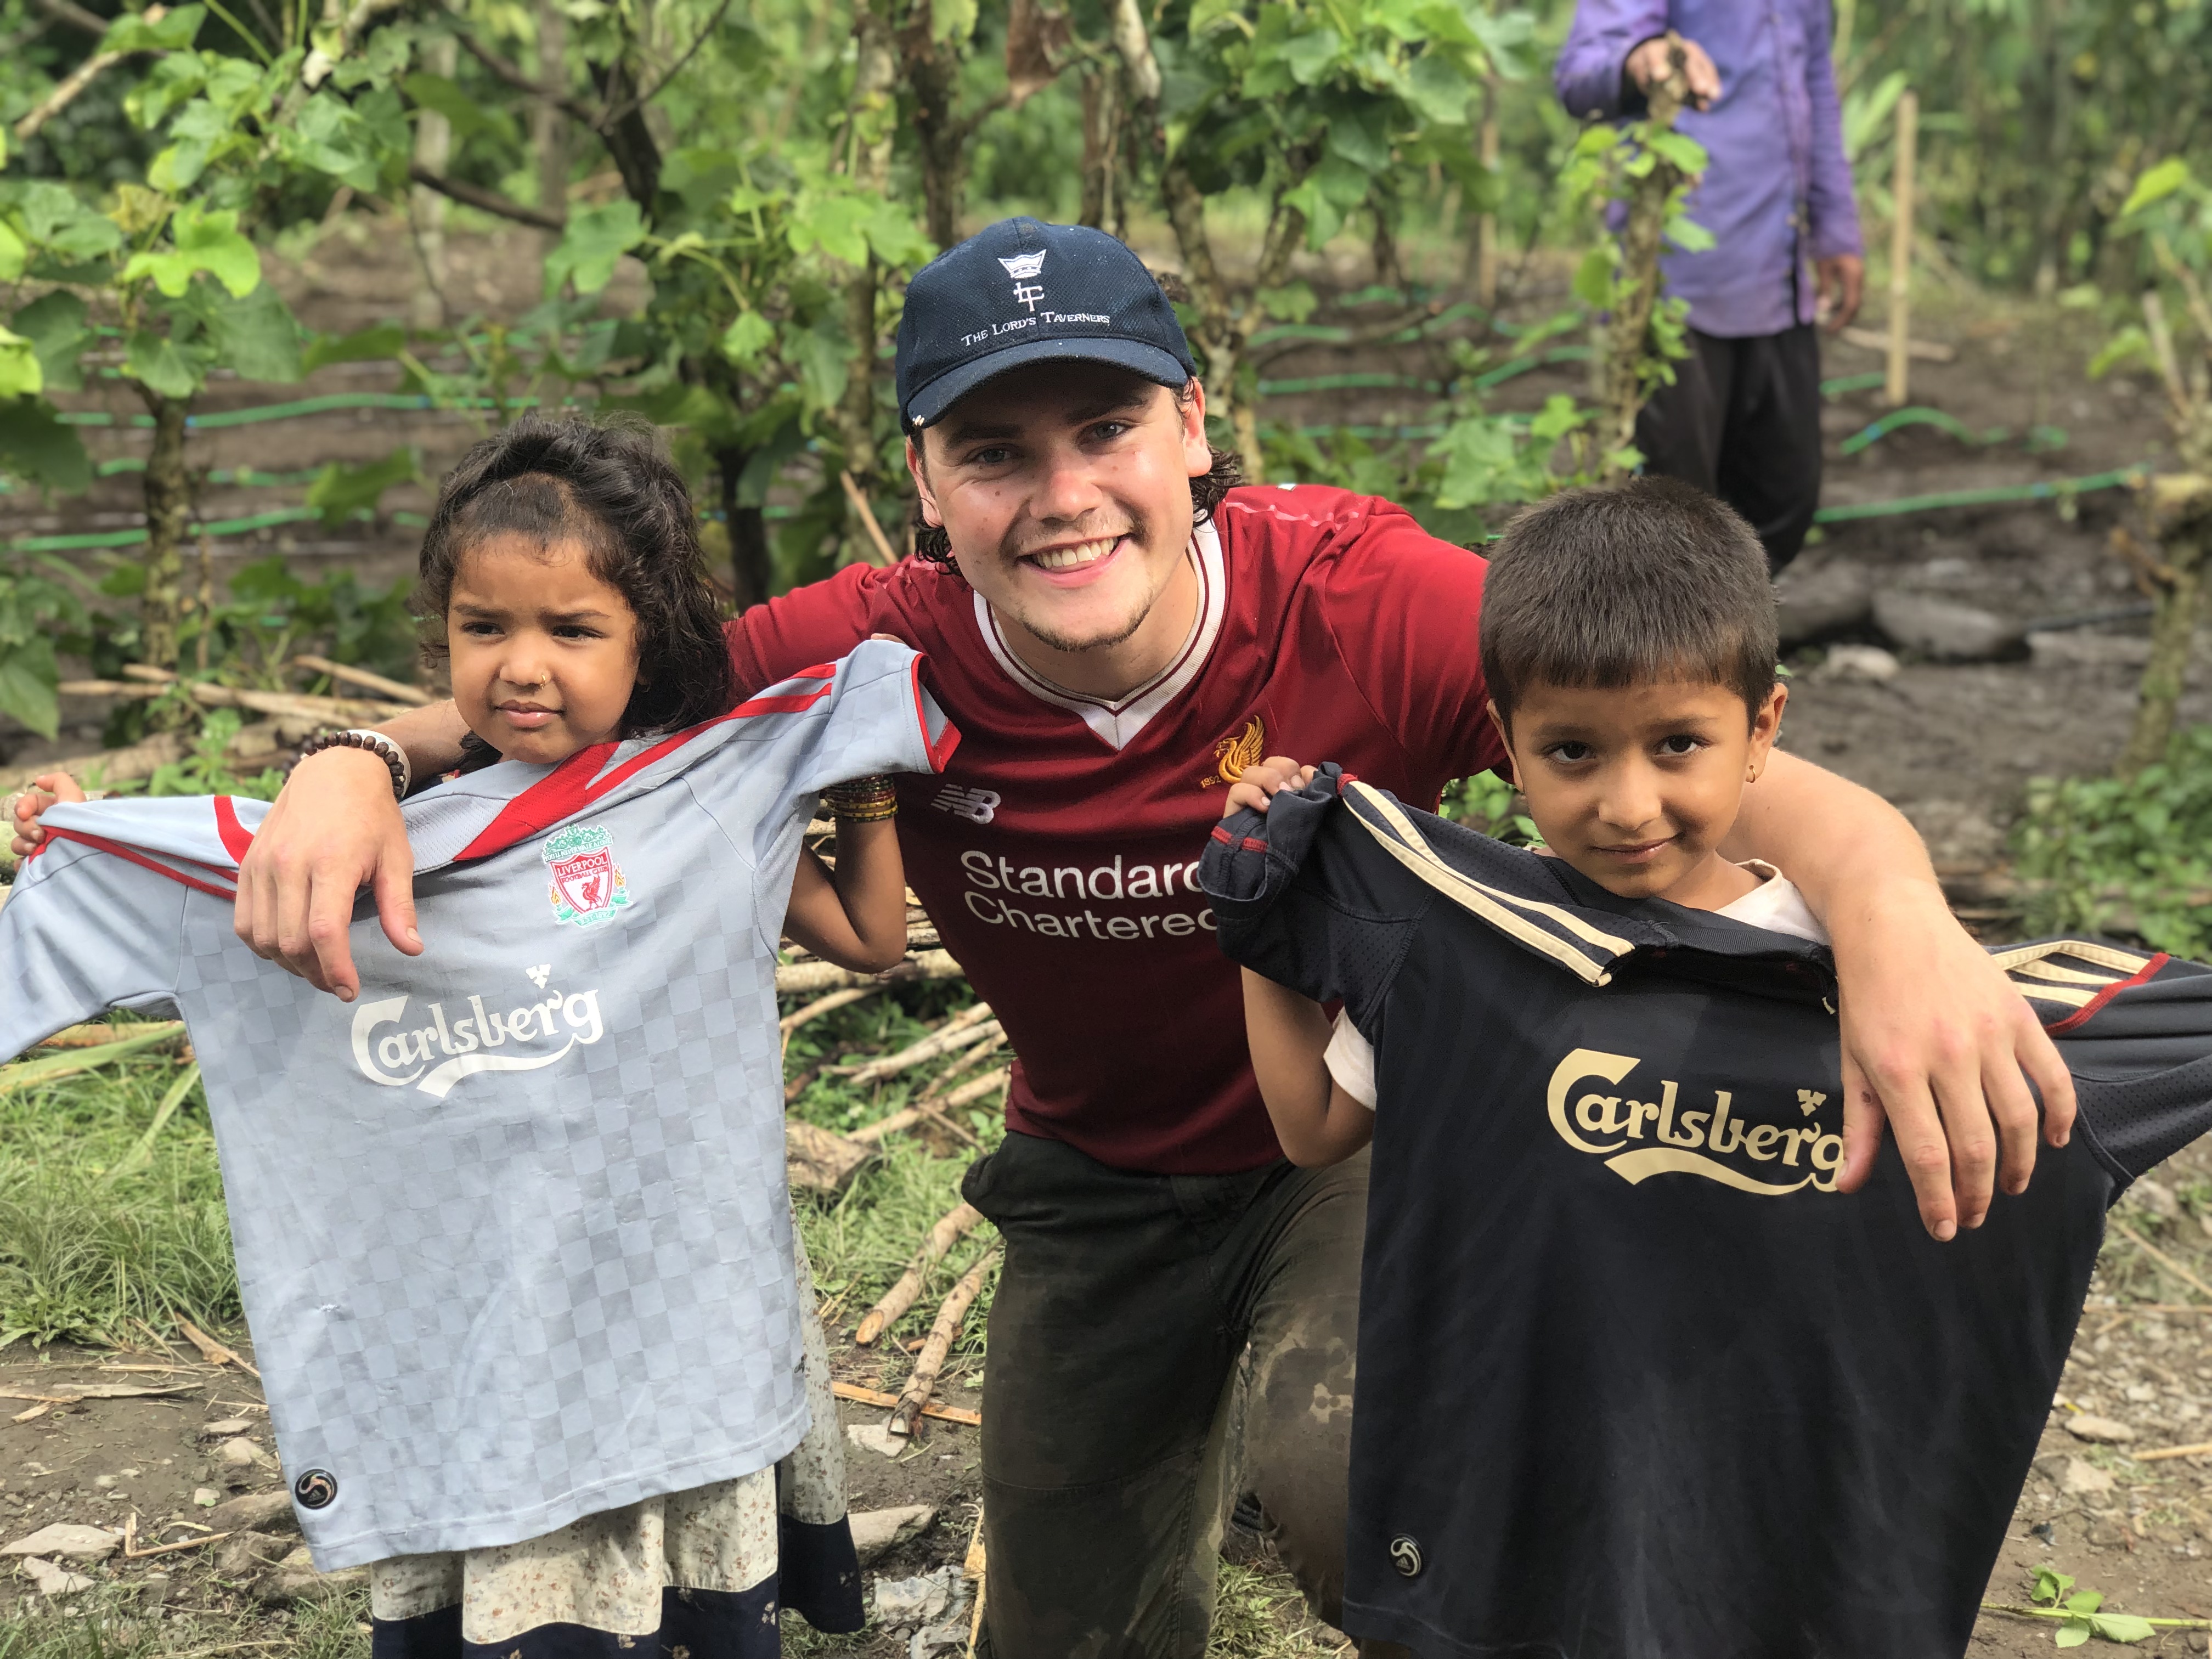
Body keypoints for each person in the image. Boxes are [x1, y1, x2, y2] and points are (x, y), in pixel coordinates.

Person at [80, 218, 2076, 1657]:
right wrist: (357, 753)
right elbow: (574, 696)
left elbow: (1687, 723)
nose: (1061, 494)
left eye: (1102, 426)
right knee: (1069, 1616)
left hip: (1359, 1147)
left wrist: (1891, 907)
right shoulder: (871, 651)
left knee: (1365, 1475)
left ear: (1193, 423)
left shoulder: (1370, 599)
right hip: (1096, 1178)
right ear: (923, 481)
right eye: (994, 450)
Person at [1203, 479, 2212, 1657]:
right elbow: (1313, 1129)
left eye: (1678, 744)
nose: (1628, 803)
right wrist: (1263, 923)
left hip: (1788, 1569)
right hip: (1509, 1545)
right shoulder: (1464, 941)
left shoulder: (1905, 1006)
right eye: (1572, 750)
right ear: (1506, 740)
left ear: (1764, 729)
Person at [1, 415, 956, 1658]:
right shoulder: (381, 845)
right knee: (520, 1585)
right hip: (485, 1336)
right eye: (484, 627)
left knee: (691, 1588)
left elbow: (874, 938)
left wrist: (849, 785)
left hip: (677, 1319)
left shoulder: (704, 797)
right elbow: (224, 899)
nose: (522, 665)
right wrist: (105, 838)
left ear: (647, 642)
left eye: (572, 631)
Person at [1556, 0, 1864, 569]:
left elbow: (1814, 79)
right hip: (1681, 289)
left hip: (1779, 270)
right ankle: (1675, 657)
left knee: (1783, 502)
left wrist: (1836, 222)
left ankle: (1734, 652)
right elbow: (1580, 71)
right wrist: (1640, 59)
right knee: (1675, 520)